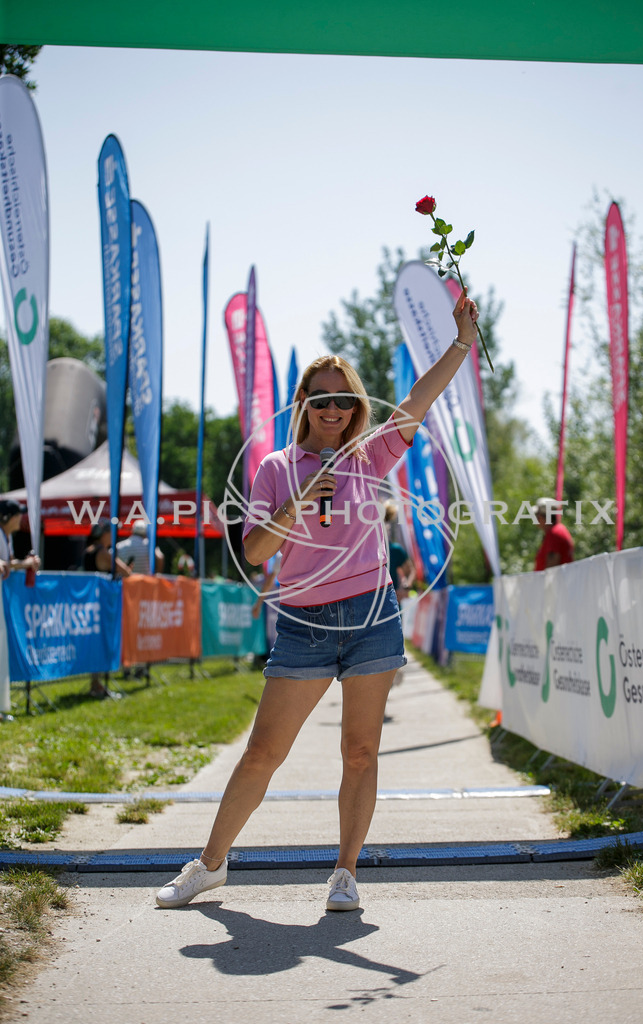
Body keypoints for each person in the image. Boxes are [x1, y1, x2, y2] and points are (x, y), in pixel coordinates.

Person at [155, 287, 479, 913]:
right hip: (303, 623)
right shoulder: (277, 466)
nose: (333, 408)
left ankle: (345, 874)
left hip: (371, 618)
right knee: (262, 753)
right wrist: (300, 498)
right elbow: (253, 552)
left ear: (355, 406)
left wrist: (462, 341)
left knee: (360, 751)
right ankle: (210, 865)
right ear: (303, 404)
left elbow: (419, 398)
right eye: (321, 398)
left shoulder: (371, 453)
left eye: (343, 398)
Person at [82, 520, 132, 697]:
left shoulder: (88, 550)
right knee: (102, 643)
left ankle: (96, 683)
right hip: (102, 605)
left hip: (91, 603)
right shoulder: (102, 552)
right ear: (103, 534)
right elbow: (125, 571)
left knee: (96, 643)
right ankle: (98, 685)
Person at [383, 501, 416, 602]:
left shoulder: (395, 549)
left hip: (392, 604)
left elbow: (411, 571)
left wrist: (406, 587)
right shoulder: (364, 550)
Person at [0, 499, 41, 578]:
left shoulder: (7, 534)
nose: (21, 517)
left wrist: (29, 562)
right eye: (19, 514)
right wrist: (27, 562)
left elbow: (10, 563)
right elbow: (8, 563)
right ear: (13, 518)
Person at [533, 497, 574, 570]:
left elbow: (552, 568)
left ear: (542, 517)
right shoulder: (556, 531)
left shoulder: (554, 534)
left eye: (536, 516)